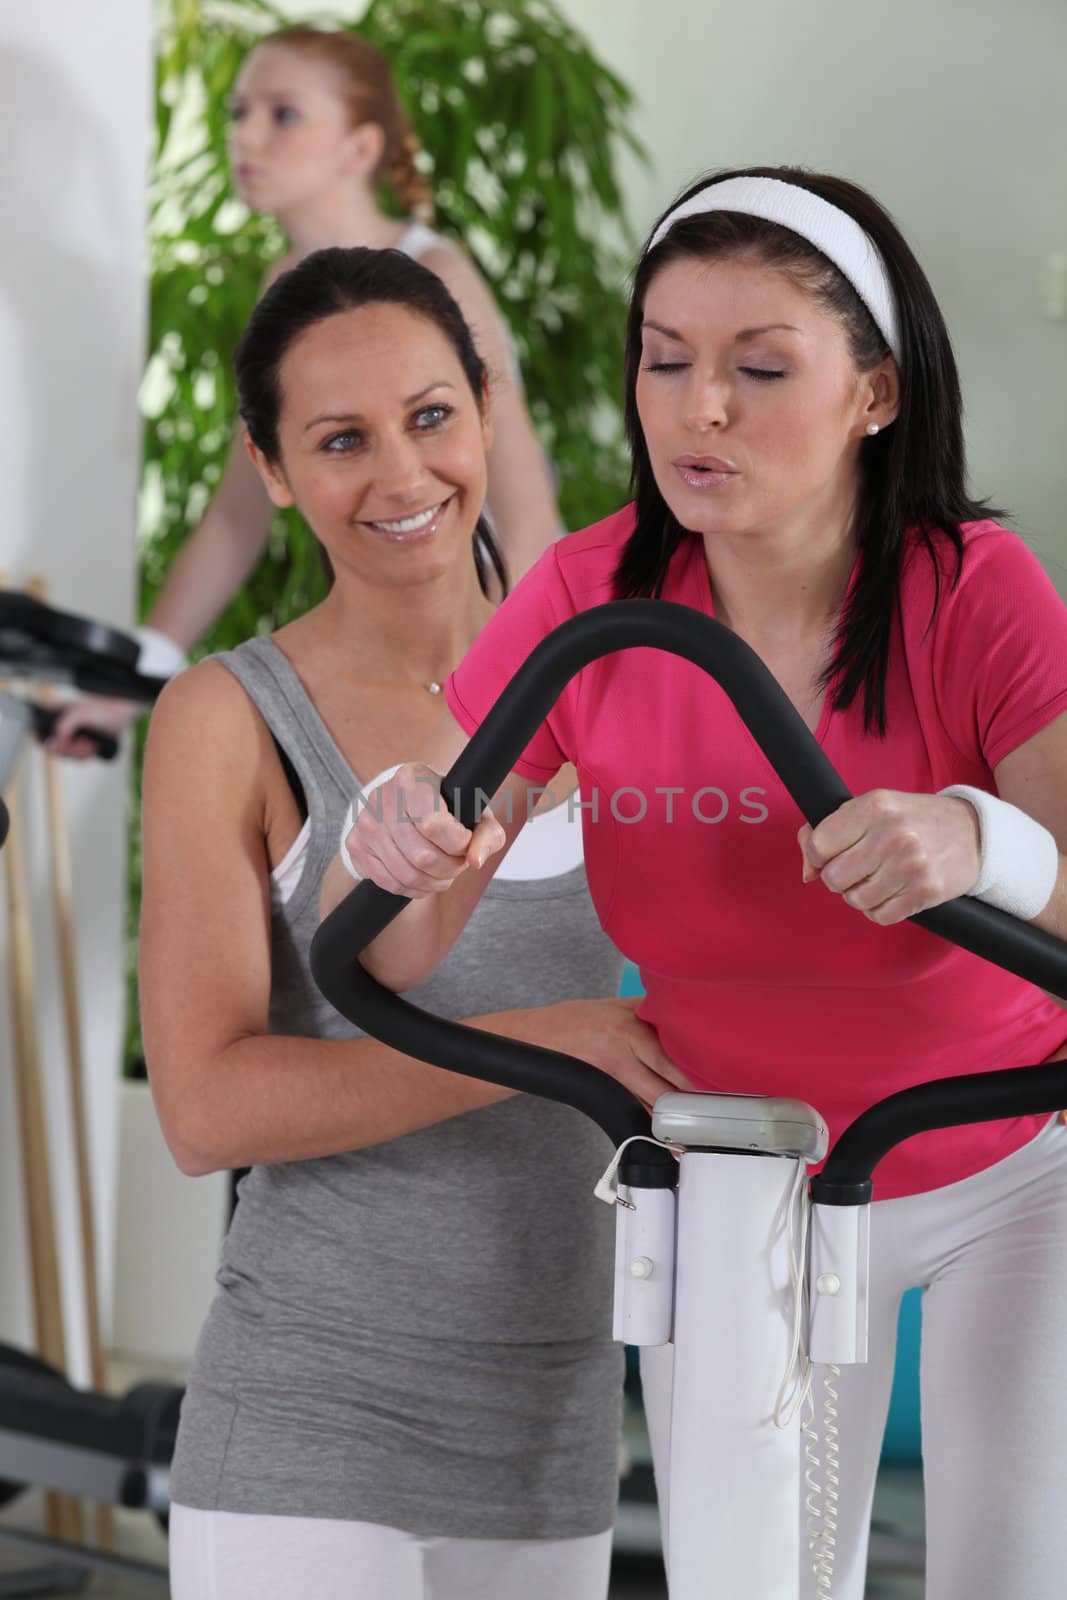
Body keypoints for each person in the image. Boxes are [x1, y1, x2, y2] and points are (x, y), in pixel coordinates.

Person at [339, 166, 1067, 1600]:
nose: (697, 409)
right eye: (663, 363)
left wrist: (979, 841)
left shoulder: (972, 587)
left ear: (874, 392)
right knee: (751, 1582)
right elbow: (410, 929)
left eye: (756, 368)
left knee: (1014, 1571)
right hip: (738, 1167)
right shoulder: (587, 595)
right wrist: (394, 832)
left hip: (1006, 1158)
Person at [139, 245, 690, 1600]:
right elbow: (205, 1108)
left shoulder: (608, 681)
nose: (400, 477)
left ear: (484, 408)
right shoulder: (230, 720)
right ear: (270, 469)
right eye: (339, 440)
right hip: (308, 1425)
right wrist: (534, 1047)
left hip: (552, 1435)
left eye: (430, 416)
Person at [52, 24, 561, 756]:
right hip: (372, 645)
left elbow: (529, 513)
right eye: (238, 113)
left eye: (283, 114)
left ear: (360, 148)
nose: (247, 136)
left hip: (475, 662)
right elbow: (237, 514)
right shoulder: (281, 290)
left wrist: (514, 703)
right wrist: (131, 685)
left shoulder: (438, 277)